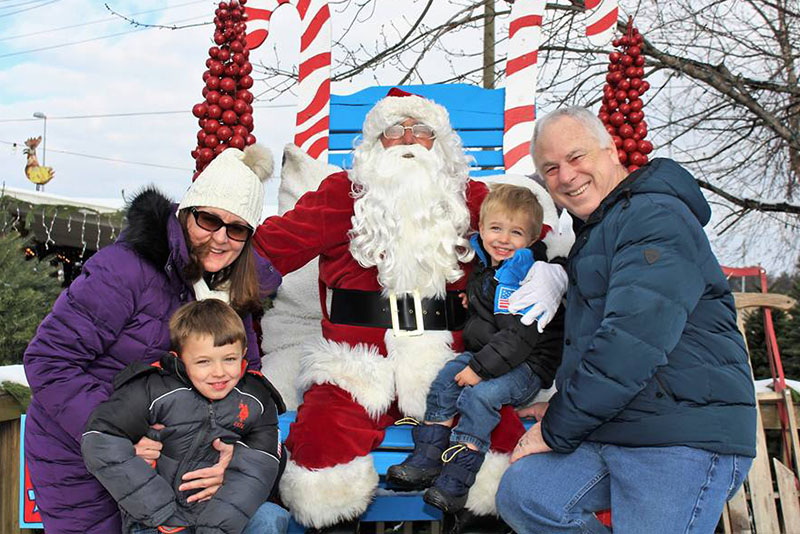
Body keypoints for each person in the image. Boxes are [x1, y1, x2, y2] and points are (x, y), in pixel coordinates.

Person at [252, 88, 571, 530]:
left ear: (439, 144)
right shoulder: (341, 196)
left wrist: (549, 269)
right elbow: (268, 250)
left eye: (421, 131)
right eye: (393, 130)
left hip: (453, 364)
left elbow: (533, 232)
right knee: (321, 439)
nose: (407, 139)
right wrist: (212, 268)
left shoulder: (472, 199)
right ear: (373, 144)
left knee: (500, 446)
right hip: (355, 362)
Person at [496, 106, 757, 533]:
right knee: (529, 495)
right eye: (551, 168)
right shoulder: (601, 227)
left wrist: (559, 425)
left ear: (611, 150)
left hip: (681, 434)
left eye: (576, 157)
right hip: (623, 425)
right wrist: (560, 402)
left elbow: (630, 344)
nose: (566, 176)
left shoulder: (654, 217)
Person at [23, 145, 282, 534]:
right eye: (209, 220)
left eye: (237, 228)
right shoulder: (125, 270)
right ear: (185, 214)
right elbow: (49, 361)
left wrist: (235, 454)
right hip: (86, 456)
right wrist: (123, 436)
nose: (221, 238)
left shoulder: (231, 290)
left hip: (178, 463)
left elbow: (247, 386)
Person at [385, 184, 565, 514]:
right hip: (493, 354)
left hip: (528, 365)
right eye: (495, 228)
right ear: (481, 229)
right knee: (445, 379)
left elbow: (518, 338)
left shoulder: (526, 276)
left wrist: (479, 370)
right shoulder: (487, 267)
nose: (503, 239)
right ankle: (427, 455)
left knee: (479, 396)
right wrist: (475, 302)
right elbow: (494, 309)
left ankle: (457, 479)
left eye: (516, 232)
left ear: (533, 239)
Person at [82, 299, 287, 534]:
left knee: (271, 517)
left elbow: (260, 464)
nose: (219, 372)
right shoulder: (153, 389)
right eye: (203, 362)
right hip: (157, 519)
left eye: (229, 359)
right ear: (180, 358)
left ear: (243, 354)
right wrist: (159, 511)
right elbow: (99, 439)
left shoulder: (255, 398)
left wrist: (216, 527)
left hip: (223, 517)